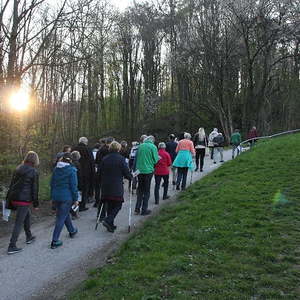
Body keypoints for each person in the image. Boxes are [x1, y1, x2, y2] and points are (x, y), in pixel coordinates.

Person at [6, 151, 39, 255]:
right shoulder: (33, 171)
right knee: (18, 223)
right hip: (23, 200)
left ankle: (29, 236)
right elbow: (34, 189)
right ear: (35, 160)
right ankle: (12, 246)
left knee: (27, 216)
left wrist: (8, 199)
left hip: (14, 198)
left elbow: (11, 185)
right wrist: (35, 204)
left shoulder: (18, 168)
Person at [99, 141, 132, 232]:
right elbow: (126, 172)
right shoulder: (121, 159)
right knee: (118, 204)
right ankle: (108, 220)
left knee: (110, 205)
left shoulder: (104, 158)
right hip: (116, 185)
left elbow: (100, 172)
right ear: (118, 148)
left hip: (105, 185)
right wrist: (130, 177)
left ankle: (110, 225)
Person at [50, 153, 78, 249]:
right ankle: (55, 240)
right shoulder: (71, 170)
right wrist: (76, 199)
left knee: (64, 214)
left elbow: (52, 184)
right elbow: (74, 187)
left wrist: (52, 196)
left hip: (56, 196)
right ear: (70, 160)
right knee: (61, 218)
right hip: (66, 197)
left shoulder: (56, 170)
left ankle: (72, 231)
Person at [135, 135, 159, 216]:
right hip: (148, 170)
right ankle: (144, 210)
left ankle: (137, 209)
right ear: (152, 140)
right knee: (146, 191)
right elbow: (155, 160)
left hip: (139, 170)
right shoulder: (153, 147)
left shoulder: (140, 146)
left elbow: (137, 157)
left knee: (140, 190)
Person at [72, 137, 94, 211]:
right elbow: (92, 162)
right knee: (84, 190)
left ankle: (74, 206)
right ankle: (82, 205)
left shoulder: (74, 148)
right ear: (85, 142)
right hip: (85, 173)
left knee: (75, 188)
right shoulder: (88, 149)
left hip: (74, 171)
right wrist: (93, 173)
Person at [94, 137, 114, 217]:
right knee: (106, 195)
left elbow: (97, 162)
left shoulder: (100, 150)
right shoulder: (107, 151)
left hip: (101, 172)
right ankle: (104, 214)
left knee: (103, 195)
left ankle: (101, 214)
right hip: (106, 174)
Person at [70, 151, 82, 219]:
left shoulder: (71, 164)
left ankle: (73, 213)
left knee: (73, 198)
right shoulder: (77, 164)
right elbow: (79, 175)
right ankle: (75, 214)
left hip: (73, 183)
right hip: (76, 183)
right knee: (77, 199)